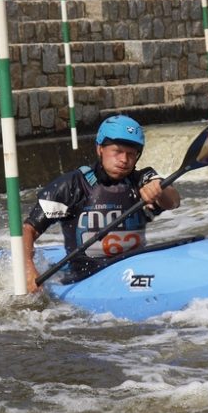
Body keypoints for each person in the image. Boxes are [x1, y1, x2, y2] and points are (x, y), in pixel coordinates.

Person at [22, 115, 181, 293]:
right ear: (100, 149)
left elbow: (173, 202)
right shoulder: (73, 185)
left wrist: (159, 189)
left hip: (132, 269)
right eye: (117, 151)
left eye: (131, 154)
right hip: (86, 277)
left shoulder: (142, 179)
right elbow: (28, 230)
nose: (124, 160)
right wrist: (28, 270)